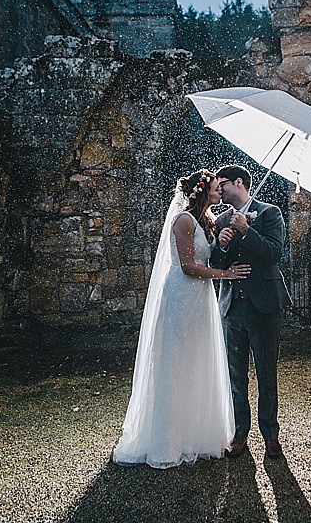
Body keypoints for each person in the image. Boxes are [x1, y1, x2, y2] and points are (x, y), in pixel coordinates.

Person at [112, 169, 250, 469]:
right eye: (216, 188)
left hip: (201, 299)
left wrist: (224, 241)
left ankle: (195, 434)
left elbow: (208, 256)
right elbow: (188, 267)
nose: (220, 192)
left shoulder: (207, 222)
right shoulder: (184, 220)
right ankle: (167, 441)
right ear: (203, 192)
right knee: (175, 362)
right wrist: (225, 275)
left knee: (197, 361)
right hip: (181, 295)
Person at [210, 164, 290, 460]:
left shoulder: (270, 213)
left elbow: (274, 253)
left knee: (267, 373)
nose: (219, 191)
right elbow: (217, 262)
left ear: (238, 183)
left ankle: (270, 435)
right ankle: (239, 433)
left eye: (223, 185)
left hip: (265, 306)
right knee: (235, 376)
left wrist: (245, 231)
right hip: (232, 308)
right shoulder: (219, 221)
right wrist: (221, 248)